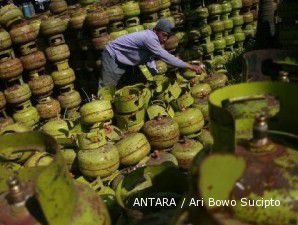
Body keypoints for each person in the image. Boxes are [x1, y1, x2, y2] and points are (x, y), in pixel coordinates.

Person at [99, 18, 203, 88]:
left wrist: (154, 75)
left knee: (124, 85)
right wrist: (189, 66)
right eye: (164, 35)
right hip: (112, 55)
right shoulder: (149, 38)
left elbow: (149, 58)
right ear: (156, 30)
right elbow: (165, 56)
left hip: (122, 59)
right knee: (108, 88)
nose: (165, 40)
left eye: (167, 36)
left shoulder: (153, 40)